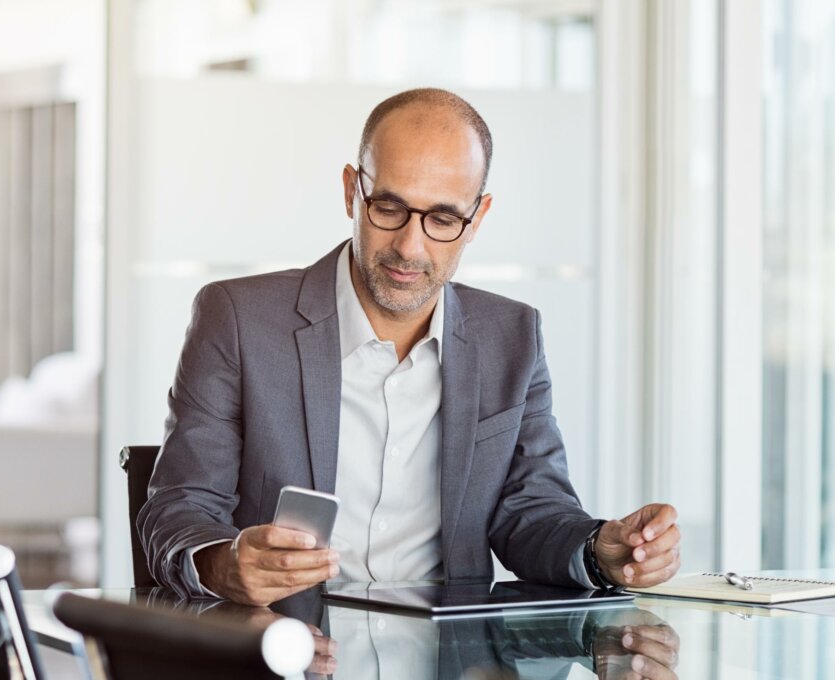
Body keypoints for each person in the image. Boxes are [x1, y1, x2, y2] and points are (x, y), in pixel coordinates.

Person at [138, 88, 681, 605]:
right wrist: (221, 563)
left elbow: (531, 513)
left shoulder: (511, 337)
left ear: (478, 218)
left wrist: (598, 549)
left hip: (447, 654)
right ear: (352, 190)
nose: (409, 246)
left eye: (443, 218)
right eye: (389, 208)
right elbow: (179, 508)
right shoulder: (238, 320)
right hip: (286, 648)